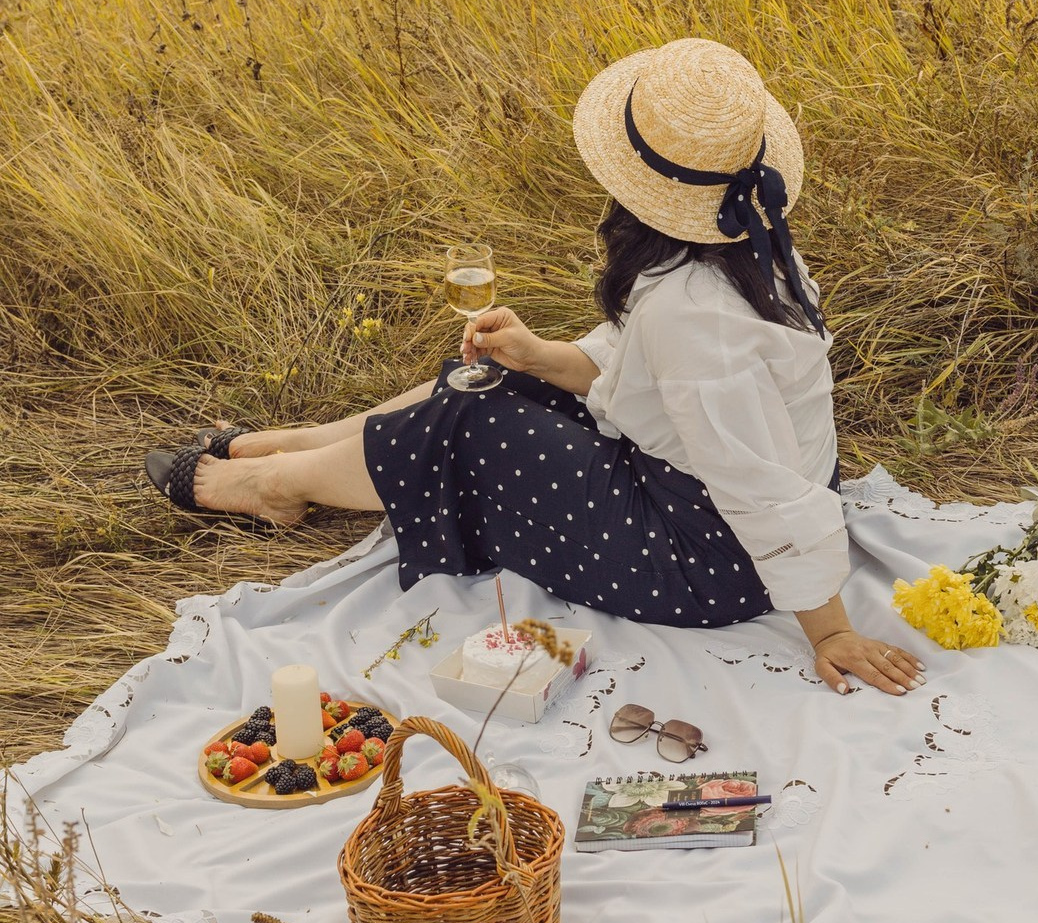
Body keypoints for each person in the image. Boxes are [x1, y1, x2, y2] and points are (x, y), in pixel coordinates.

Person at [145, 38, 925, 697]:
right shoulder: (744, 240)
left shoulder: (694, 315)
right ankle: (298, 445)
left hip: (705, 557)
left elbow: (755, 483)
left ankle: (273, 484)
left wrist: (829, 632)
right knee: (489, 377)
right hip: (694, 496)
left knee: (477, 418)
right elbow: (648, 373)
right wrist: (540, 356)